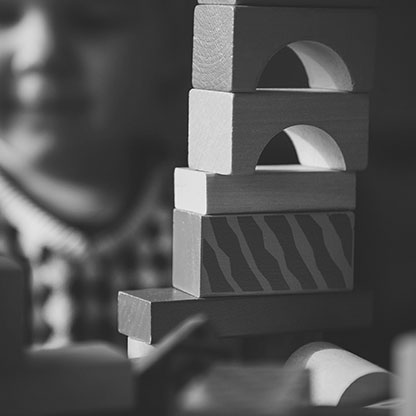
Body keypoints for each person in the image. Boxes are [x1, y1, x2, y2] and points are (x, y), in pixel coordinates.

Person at [0, 0, 191, 348]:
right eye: (2, 17)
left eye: (93, 20)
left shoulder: (210, 224)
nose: (41, 54)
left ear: (171, 44)